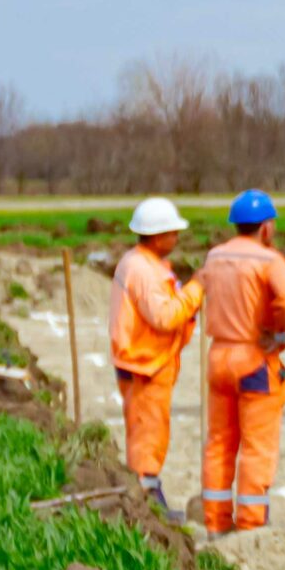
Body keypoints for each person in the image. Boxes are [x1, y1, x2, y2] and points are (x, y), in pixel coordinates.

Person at [198, 190, 285, 534]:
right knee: (257, 447)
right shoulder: (268, 260)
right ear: (267, 227)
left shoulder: (215, 256)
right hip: (254, 359)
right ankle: (251, 523)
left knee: (219, 443)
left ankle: (215, 520)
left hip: (218, 357)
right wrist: (281, 330)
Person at [107, 196, 204, 520]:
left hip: (146, 362)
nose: (177, 239)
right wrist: (196, 290)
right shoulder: (144, 270)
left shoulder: (143, 264)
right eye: (173, 232)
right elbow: (164, 316)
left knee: (147, 432)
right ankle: (147, 503)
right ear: (158, 235)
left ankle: (148, 494)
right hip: (144, 365)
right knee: (148, 435)